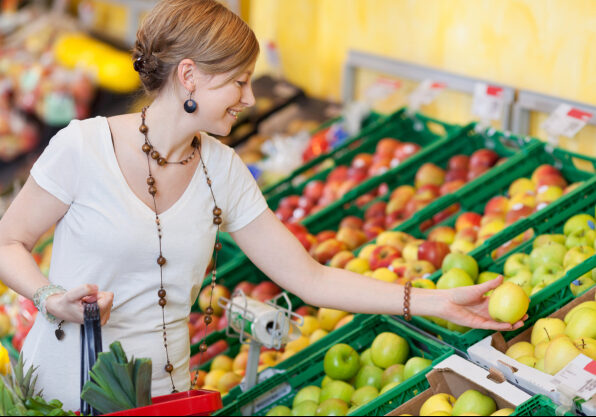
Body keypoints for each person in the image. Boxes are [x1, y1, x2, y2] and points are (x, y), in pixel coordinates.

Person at [0, 0, 524, 410]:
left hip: (165, 400)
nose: (249, 98)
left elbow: (311, 279)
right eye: (238, 81)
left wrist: (438, 301)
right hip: (64, 394)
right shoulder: (83, 147)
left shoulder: (221, 169)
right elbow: (9, 242)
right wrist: (49, 297)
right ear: (189, 77)